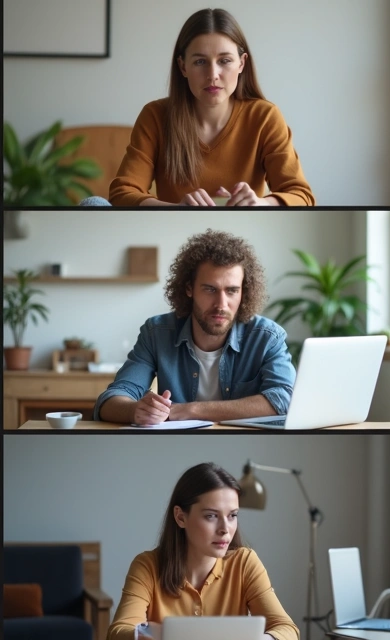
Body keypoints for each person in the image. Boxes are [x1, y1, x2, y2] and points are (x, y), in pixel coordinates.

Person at [108, 8, 314, 206]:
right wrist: (175, 208)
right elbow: (122, 193)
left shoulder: (265, 117)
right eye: (200, 62)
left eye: (225, 60)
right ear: (183, 66)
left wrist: (261, 203)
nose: (213, 74)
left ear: (241, 64)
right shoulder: (155, 116)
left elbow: (301, 196)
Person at [94, 229, 295, 425]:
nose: (221, 304)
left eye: (232, 291)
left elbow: (285, 398)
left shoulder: (267, 337)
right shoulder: (156, 333)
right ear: (189, 288)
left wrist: (191, 410)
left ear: (244, 292)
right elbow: (112, 398)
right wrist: (134, 411)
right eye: (210, 289)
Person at [107, 463, 299, 640]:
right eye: (211, 516)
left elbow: (287, 628)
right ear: (180, 517)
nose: (225, 528)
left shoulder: (245, 562)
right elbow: (118, 632)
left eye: (232, 515)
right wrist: (153, 635)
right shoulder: (147, 566)